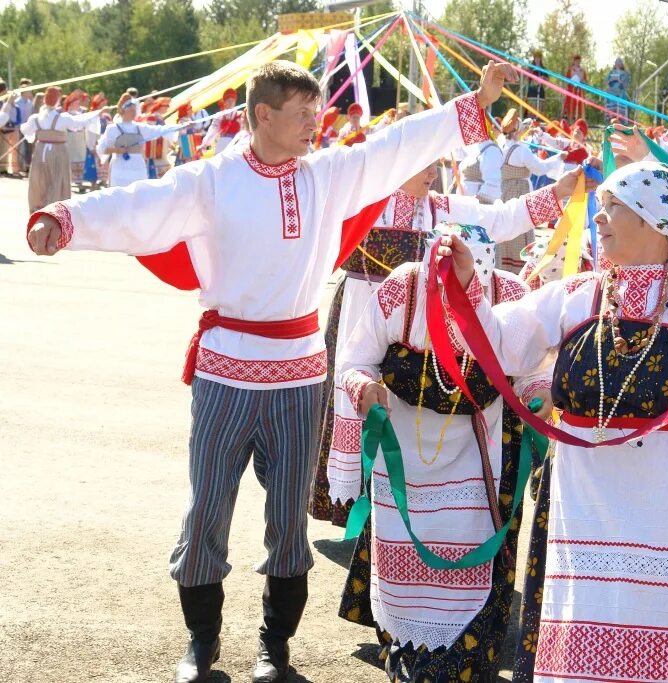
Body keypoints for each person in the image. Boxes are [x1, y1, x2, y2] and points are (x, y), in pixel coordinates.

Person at [25, 58, 513, 683]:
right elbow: (140, 205)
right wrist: (63, 219)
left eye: (316, 110)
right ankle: (201, 643)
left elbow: (395, 147)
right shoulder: (213, 180)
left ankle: (272, 649)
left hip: (300, 371)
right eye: (302, 112)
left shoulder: (327, 176)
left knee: (287, 520)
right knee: (206, 511)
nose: (316, 121)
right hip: (226, 367)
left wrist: (470, 104)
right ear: (263, 116)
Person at [433, 160, 668, 683]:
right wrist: (464, 285)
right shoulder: (580, 293)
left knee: (653, 628)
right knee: (582, 633)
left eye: (616, 207)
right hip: (582, 491)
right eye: (602, 206)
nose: (600, 218)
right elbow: (500, 344)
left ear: (657, 222)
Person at [336, 224, 553, 682]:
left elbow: (532, 369)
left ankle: (461, 663)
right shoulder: (403, 288)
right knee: (403, 566)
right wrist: (364, 388)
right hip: (405, 456)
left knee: (472, 556)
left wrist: (540, 396)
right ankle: (405, 651)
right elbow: (355, 359)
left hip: (483, 453)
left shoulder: (510, 294)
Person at [310, 164, 580, 528]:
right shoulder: (362, 200)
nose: (432, 176)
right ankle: (359, 503)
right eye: (423, 165)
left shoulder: (447, 210)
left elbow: (502, 218)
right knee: (360, 396)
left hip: (452, 318)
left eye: (437, 167)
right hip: (370, 306)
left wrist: (559, 190)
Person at [495, 108, 572, 270]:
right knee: (519, 223)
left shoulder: (501, 144)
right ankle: (519, 266)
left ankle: (503, 263)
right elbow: (540, 168)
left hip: (503, 190)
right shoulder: (521, 150)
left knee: (506, 222)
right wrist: (558, 157)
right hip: (518, 190)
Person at [20, 86, 102, 211]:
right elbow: (78, 123)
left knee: (39, 179)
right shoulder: (62, 118)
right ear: (58, 100)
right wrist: (96, 113)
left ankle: (37, 206)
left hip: (40, 151)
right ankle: (55, 209)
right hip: (58, 152)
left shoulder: (36, 118)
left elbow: (25, 130)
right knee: (57, 179)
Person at [97, 95, 178, 188]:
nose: (134, 112)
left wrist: (182, 126)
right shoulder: (113, 128)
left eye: (134, 110)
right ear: (124, 110)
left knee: (139, 191)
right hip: (120, 167)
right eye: (131, 110)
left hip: (137, 166)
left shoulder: (139, 127)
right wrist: (118, 150)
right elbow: (102, 149)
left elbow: (159, 130)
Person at [200, 88, 244, 154]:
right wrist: (205, 144)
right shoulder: (219, 116)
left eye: (233, 100)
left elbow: (245, 131)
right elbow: (212, 131)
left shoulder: (240, 115)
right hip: (222, 145)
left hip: (236, 144)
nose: (231, 103)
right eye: (228, 100)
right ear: (224, 102)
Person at [562, 54, 587, 120]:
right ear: (574, 61)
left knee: (579, 106)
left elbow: (585, 82)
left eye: (578, 61)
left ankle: (579, 121)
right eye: (576, 60)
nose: (577, 62)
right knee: (570, 105)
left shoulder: (583, 71)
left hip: (580, 91)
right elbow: (566, 81)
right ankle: (569, 120)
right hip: (571, 90)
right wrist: (571, 81)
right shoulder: (570, 70)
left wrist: (581, 80)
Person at [606, 57, 631, 122]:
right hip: (612, 92)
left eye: (619, 62)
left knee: (620, 107)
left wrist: (619, 80)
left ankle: (621, 121)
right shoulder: (611, 72)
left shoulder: (625, 73)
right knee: (612, 107)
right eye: (616, 62)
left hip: (620, 93)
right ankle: (611, 120)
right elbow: (606, 83)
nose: (617, 63)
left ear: (622, 63)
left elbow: (626, 84)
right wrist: (611, 80)